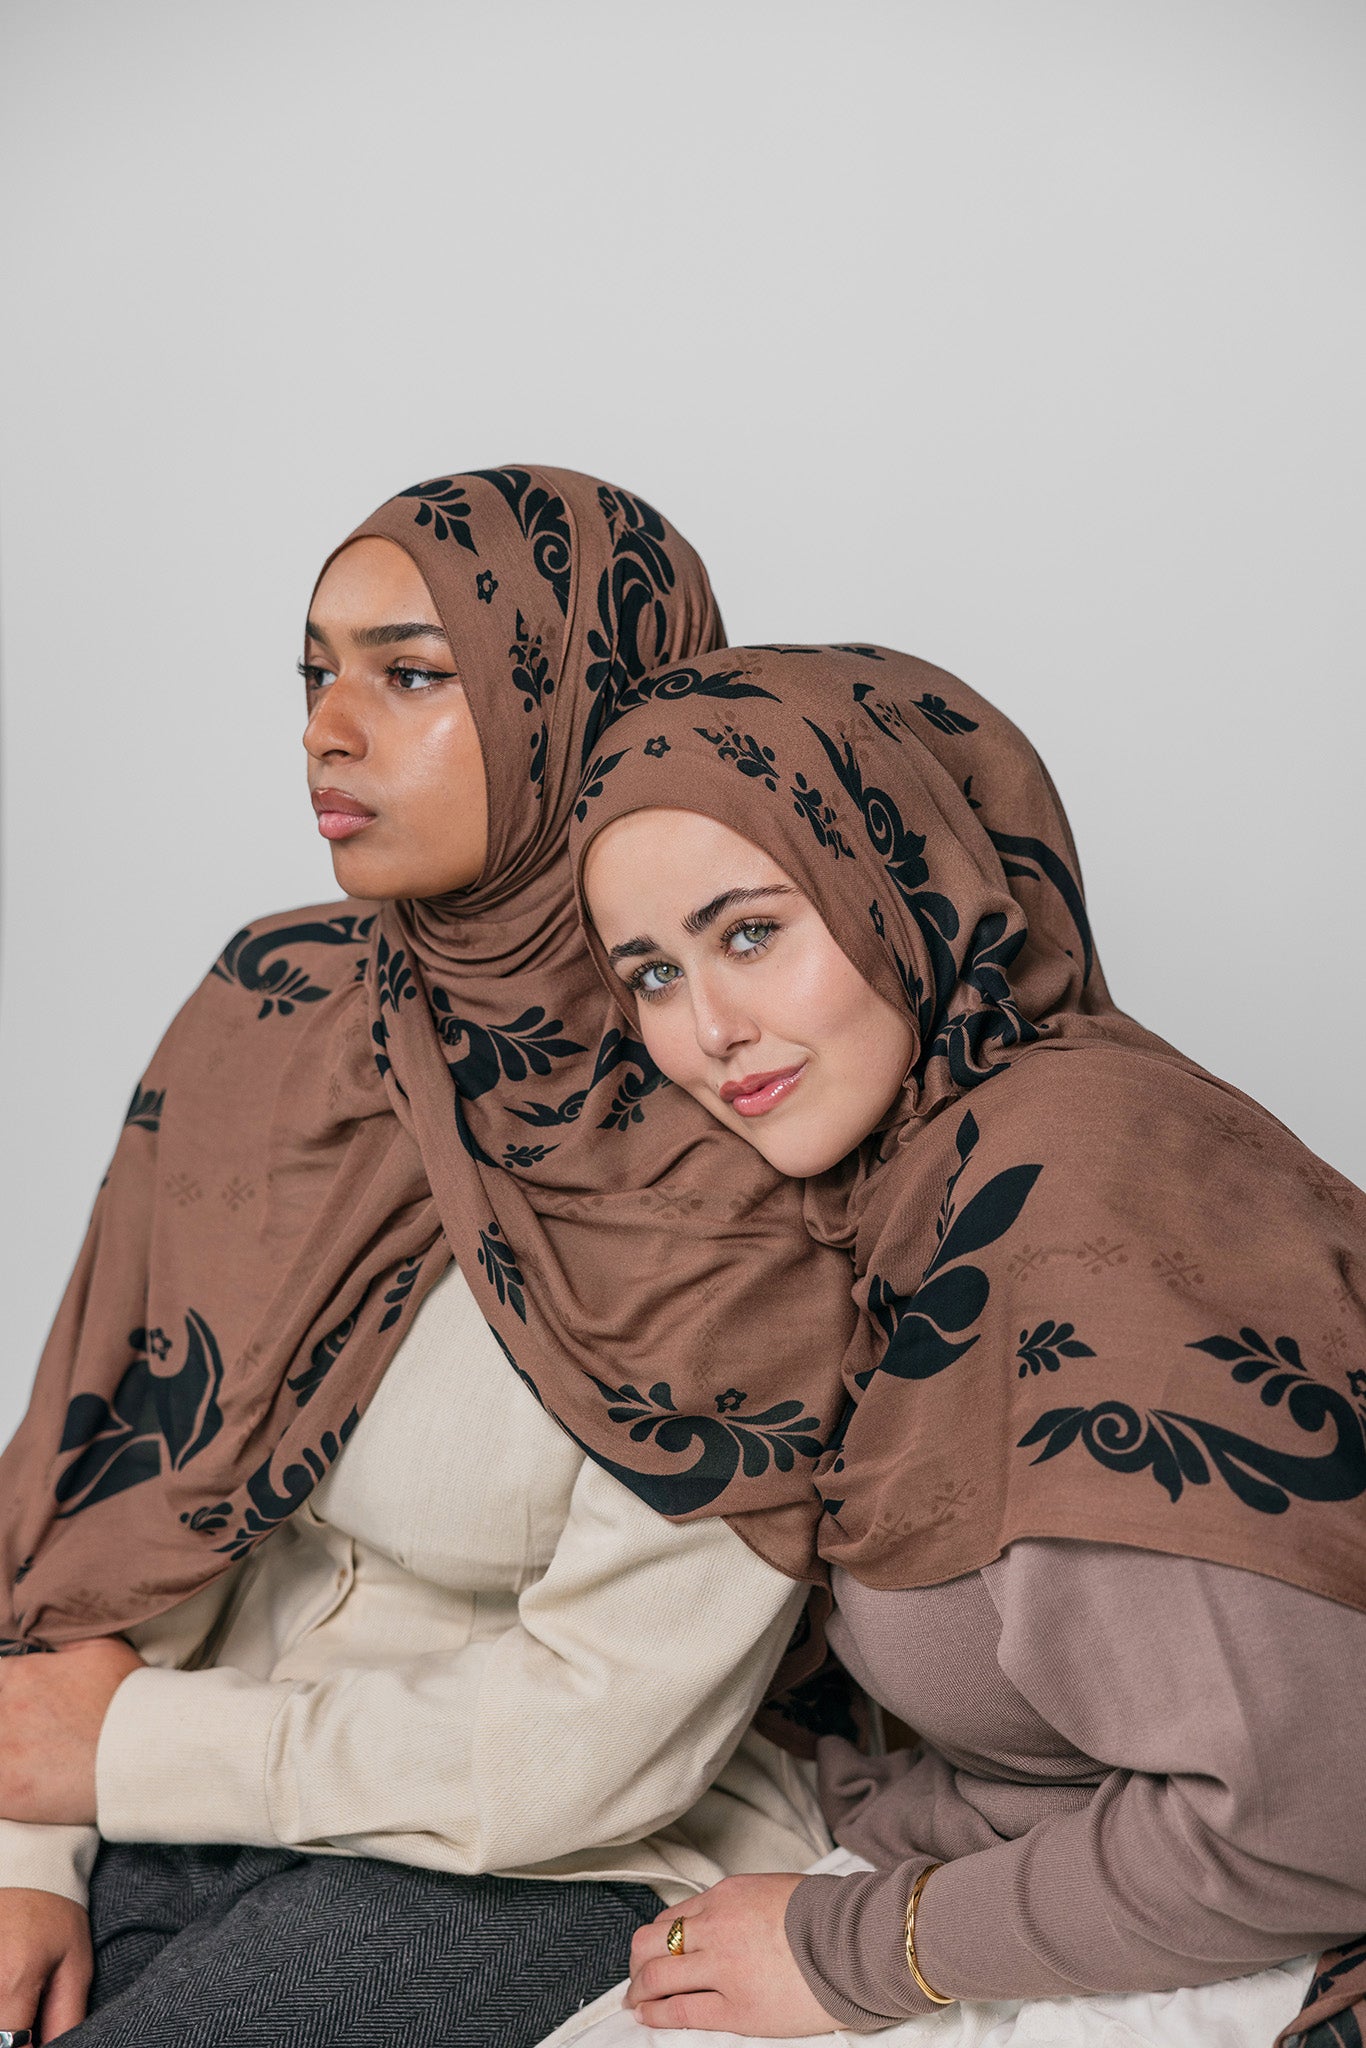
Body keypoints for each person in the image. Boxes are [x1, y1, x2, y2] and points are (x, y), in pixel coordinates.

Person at [0, 473, 863, 2048]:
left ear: (582, 709)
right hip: (158, 1804)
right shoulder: (281, 1013)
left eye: (409, 674)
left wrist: (115, 1756)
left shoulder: (733, 1094)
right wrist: (31, 1850)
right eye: (314, 671)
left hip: (548, 1860)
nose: (331, 729)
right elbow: (107, 1489)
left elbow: (599, 1741)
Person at [571, 641, 1366, 2047]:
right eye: (649, 973)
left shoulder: (1071, 1183)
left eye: (751, 932)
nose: (705, 1032)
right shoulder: (915, 1199)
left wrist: (853, 1950)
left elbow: (1309, 1821)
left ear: (906, 891)